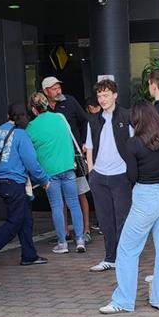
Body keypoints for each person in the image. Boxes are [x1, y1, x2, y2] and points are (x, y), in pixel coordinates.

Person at [99, 101, 159, 315]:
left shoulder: (133, 144)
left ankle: (124, 300)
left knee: (127, 249)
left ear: (137, 121)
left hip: (146, 198)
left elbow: (132, 176)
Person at [0, 103, 50, 267]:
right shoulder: (21, 135)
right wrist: (44, 180)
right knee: (15, 221)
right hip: (15, 182)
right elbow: (31, 162)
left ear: (7, 116)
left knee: (26, 219)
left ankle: (29, 255)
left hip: (1, 182)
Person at [84, 79, 136, 272]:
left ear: (115, 95)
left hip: (121, 175)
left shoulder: (127, 116)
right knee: (105, 219)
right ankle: (110, 257)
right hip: (99, 175)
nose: (102, 99)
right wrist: (92, 171)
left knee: (122, 218)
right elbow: (88, 147)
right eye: (99, 95)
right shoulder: (93, 120)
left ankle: (123, 257)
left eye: (105, 95)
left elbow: (134, 144)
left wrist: (133, 171)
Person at [29, 91, 87, 254]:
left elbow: (30, 151)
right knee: (74, 203)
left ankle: (62, 243)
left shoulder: (32, 127)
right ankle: (80, 239)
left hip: (49, 172)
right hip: (68, 166)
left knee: (57, 206)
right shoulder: (60, 118)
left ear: (34, 109)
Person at [43, 76, 93, 243]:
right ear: (46, 91)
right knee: (59, 198)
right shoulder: (43, 108)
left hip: (73, 153)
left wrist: (85, 142)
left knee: (79, 193)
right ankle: (63, 231)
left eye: (58, 87)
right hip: (54, 156)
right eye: (53, 88)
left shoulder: (69, 101)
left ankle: (85, 229)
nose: (58, 91)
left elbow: (84, 120)